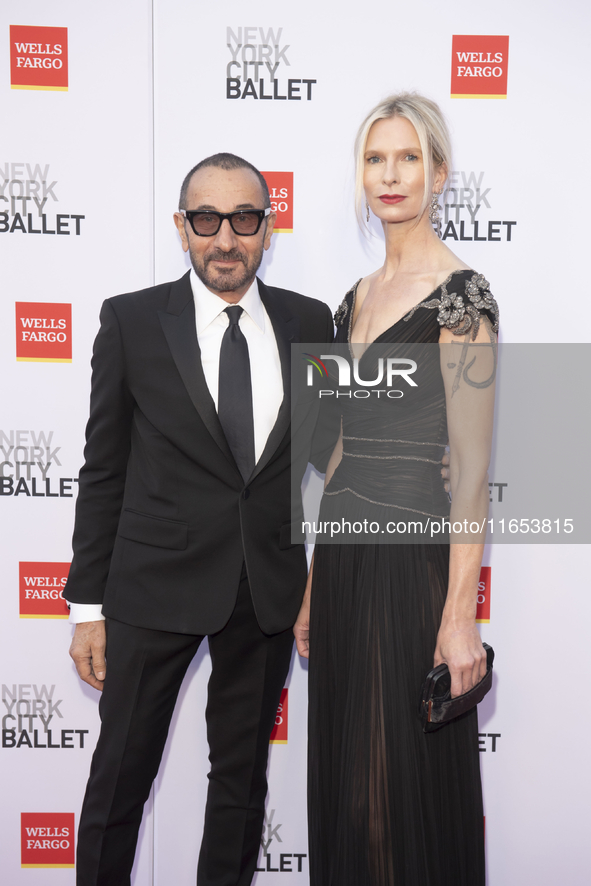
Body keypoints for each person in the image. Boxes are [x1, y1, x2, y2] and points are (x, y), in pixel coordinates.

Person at [63, 152, 335, 886]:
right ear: (182, 228)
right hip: (152, 586)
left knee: (241, 788)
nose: (225, 238)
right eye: (207, 219)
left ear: (266, 228)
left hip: (266, 591)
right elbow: (103, 470)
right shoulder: (131, 321)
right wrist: (87, 607)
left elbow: (336, 455)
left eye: (243, 219)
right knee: (119, 781)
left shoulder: (312, 322)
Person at [294, 94, 498, 886]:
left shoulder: (462, 297)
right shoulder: (353, 297)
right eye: (376, 158)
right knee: (347, 791)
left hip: (413, 562)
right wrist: (313, 583)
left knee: (397, 792)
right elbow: (337, 457)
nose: (390, 174)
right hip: (344, 564)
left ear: (438, 173)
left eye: (408, 157)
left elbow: (472, 471)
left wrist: (459, 617)